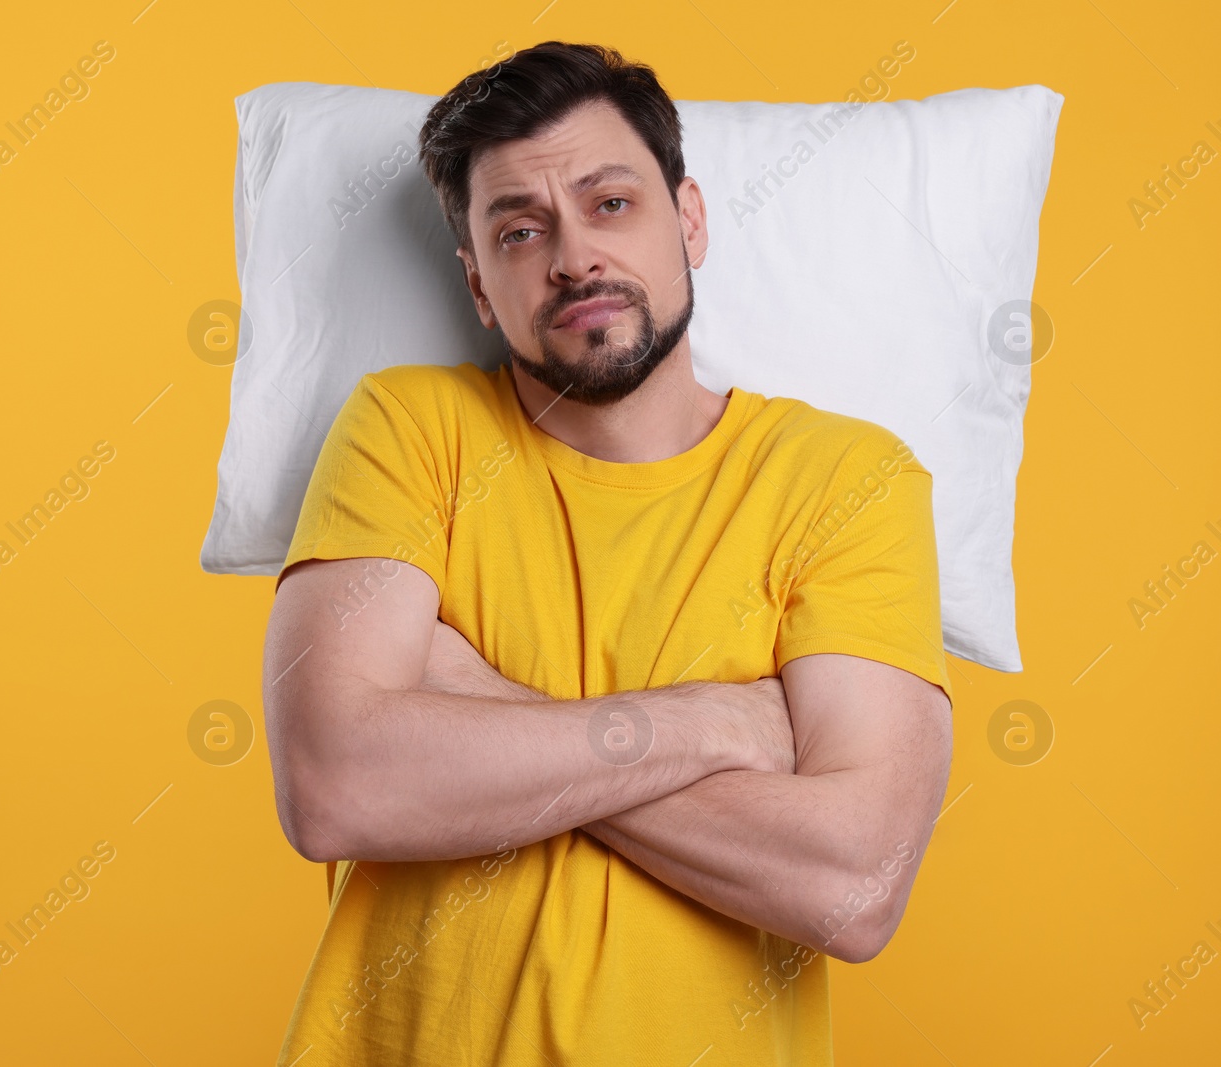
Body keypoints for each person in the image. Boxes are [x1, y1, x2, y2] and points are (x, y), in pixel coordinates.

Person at [261, 40, 953, 1066]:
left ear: (690, 219)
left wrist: (472, 697)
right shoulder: (409, 428)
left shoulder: (843, 477)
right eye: (520, 229)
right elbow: (334, 785)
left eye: (611, 204)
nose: (573, 255)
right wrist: (714, 720)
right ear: (480, 284)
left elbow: (853, 888)